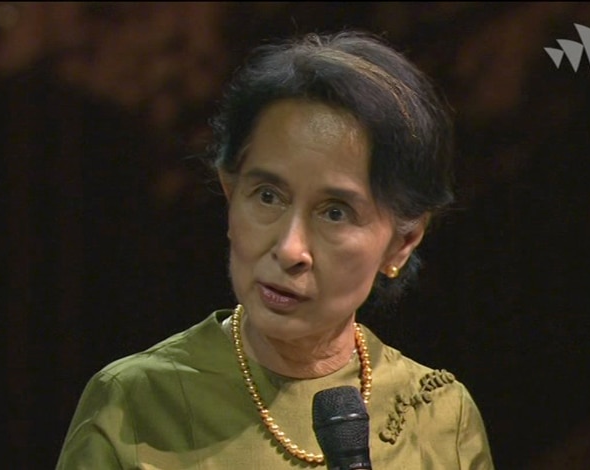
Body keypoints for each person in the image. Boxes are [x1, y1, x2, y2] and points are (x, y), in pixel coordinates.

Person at [56, 30, 494, 469]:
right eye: (268, 196)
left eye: (335, 213)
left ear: (402, 243)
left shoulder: (441, 417)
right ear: (230, 195)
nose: (290, 250)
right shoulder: (134, 406)